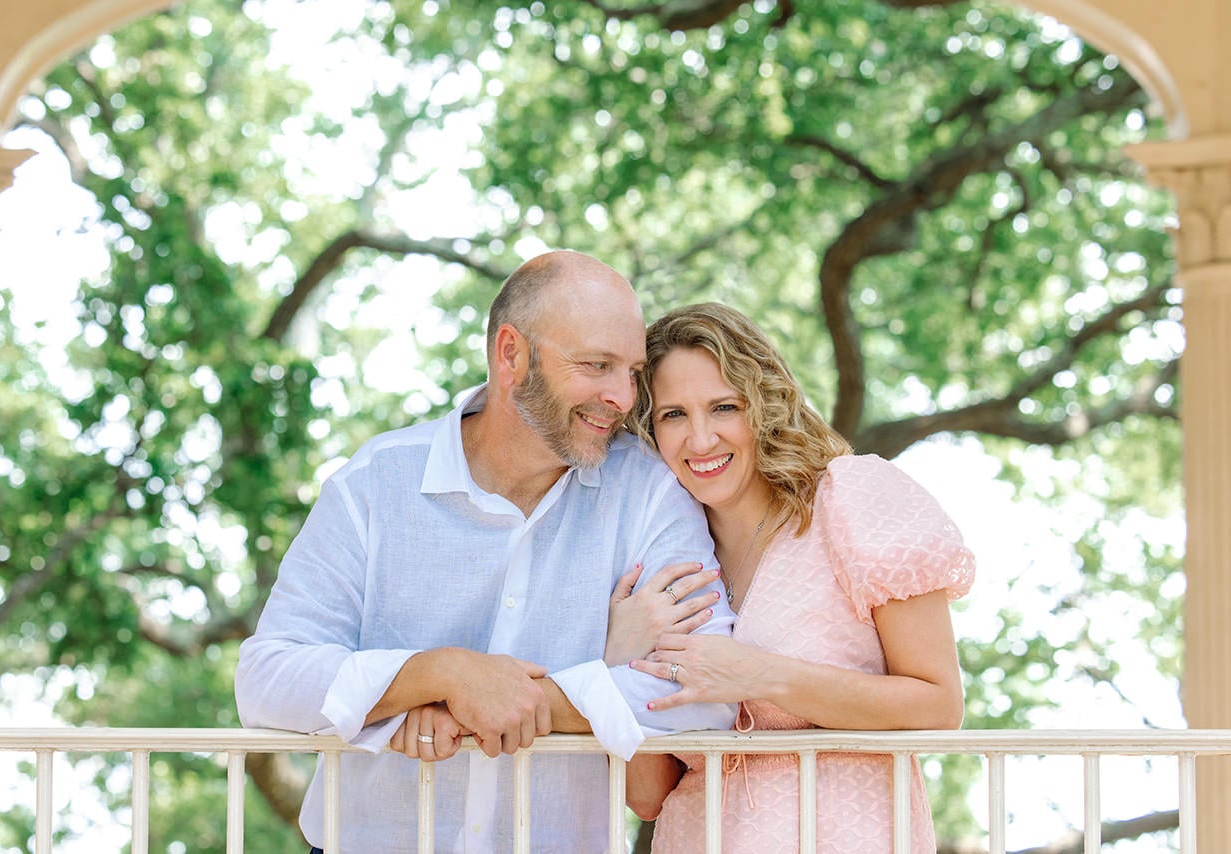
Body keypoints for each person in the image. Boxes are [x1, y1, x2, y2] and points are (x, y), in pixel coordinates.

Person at [234, 251, 737, 854]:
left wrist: (513, 703)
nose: (624, 397)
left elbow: (710, 690)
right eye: (597, 366)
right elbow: (264, 681)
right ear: (511, 355)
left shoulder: (651, 492)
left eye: (631, 371)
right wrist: (434, 673)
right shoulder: (374, 483)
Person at [614, 303, 975, 853]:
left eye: (724, 407)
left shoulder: (849, 500)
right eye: (674, 415)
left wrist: (761, 676)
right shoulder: (660, 564)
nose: (702, 438)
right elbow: (648, 796)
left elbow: (939, 704)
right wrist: (616, 659)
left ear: (763, 405)